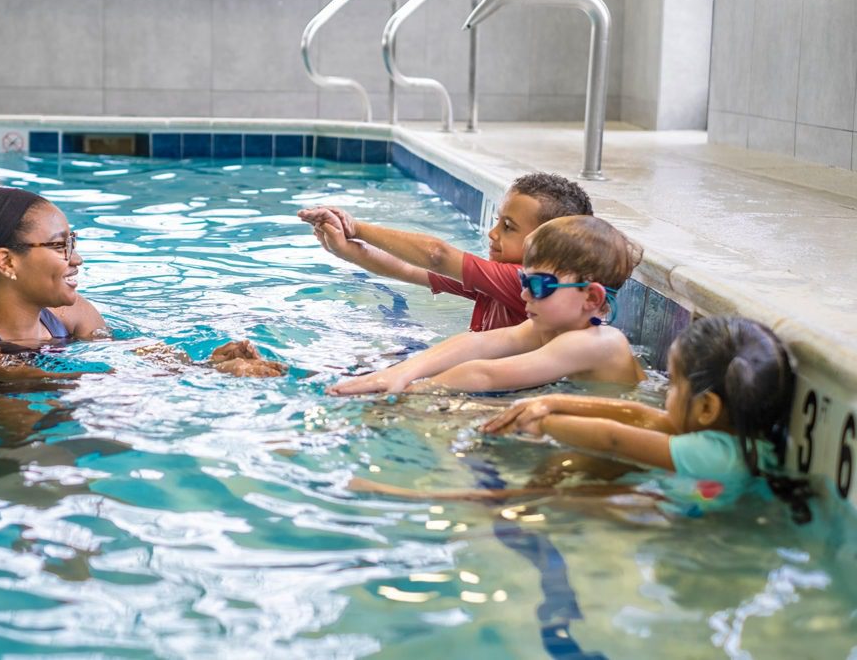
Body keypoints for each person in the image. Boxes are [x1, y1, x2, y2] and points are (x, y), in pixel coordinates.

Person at [351, 316, 812, 523]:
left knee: (577, 491)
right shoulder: (733, 441)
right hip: (694, 494)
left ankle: (436, 499)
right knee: (580, 467)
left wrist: (546, 423)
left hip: (675, 514)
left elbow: (614, 438)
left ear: (708, 409)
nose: (665, 394)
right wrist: (555, 404)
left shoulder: (712, 456)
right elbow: (635, 412)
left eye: (673, 386)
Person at [0, 150, 284, 378]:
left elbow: (128, 354)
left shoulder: (72, 315)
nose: (77, 258)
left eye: (73, 242)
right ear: (6, 262)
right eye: (59, 245)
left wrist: (204, 366)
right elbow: (27, 379)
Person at [328, 215, 643, 395]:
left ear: (591, 298)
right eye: (524, 282)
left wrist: (413, 391)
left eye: (537, 286)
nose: (524, 296)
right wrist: (401, 373)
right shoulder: (549, 327)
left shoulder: (596, 343)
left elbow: (485, 375)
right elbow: (477, 343)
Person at [298, 172, 593, 332]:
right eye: (496, 222)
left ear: (549, 241)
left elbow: (436, 255)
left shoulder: (521, 281)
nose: (493, 234)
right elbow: (407, 270)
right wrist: (345, 249)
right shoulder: (497, 281)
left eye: (508, 227)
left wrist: (356, 227)